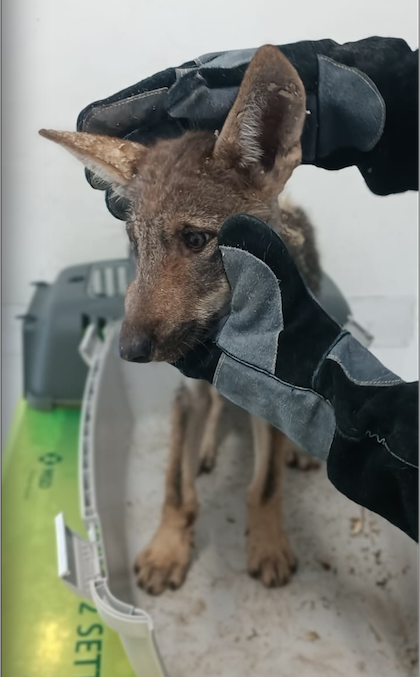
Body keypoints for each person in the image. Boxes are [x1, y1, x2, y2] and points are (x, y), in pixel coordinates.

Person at [75, 36, 419, 539]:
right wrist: (404, 97)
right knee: (199, 393)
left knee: (272, 388)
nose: (139, 311)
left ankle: (265, 511)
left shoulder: (251, 176)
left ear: (271, 149)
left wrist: (346, 420)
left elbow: (282, 393)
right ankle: (179, 509)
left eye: (193, 238)